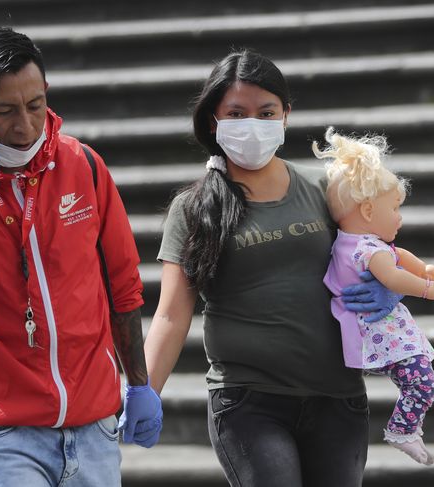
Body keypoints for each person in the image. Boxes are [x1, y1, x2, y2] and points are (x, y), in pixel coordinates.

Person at [0, 26, 162, 487]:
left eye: (35, 105)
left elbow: (122, 285)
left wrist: (139, 384)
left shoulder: (86, 166)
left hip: (93, 422)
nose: (25, 126)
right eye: (4, 111)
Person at [144, 49, 400, 487]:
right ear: (214, 121)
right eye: (237, 113)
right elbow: (170, 314)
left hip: (337, 399)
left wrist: (390, 287)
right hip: (248, 403)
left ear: (285, 116)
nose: (254, 125)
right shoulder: (194, 209)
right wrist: (143, 391)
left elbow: (379, 251)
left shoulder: (327, 188)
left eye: (266, 113)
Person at [315, 127, 434, 465]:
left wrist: (423, 268)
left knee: (418, 379)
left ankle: (408, 426)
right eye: (396, 209)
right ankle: (403, 428)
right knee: (422, 382)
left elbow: (399, 255)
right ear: (370, 211)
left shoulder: (355, 243)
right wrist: (427, 288)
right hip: (381, 334)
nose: (400, 218)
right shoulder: (367, 250)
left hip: (376, 330)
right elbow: (392, 274)